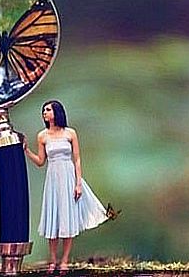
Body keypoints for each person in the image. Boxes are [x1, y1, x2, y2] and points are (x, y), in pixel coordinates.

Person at [24, 100, 120, 272]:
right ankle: (53, 259)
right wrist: (26, 151)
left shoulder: (70, 133)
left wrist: (78, 183)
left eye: (48, 110)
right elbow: (40, 161)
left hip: (68, 175)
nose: (44, 113)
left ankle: (65, 259)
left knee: (68, 217)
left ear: (57, 112)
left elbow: (77, 159)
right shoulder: (42, 136)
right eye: (43, 111)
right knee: (53, 218)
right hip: (53, 177)